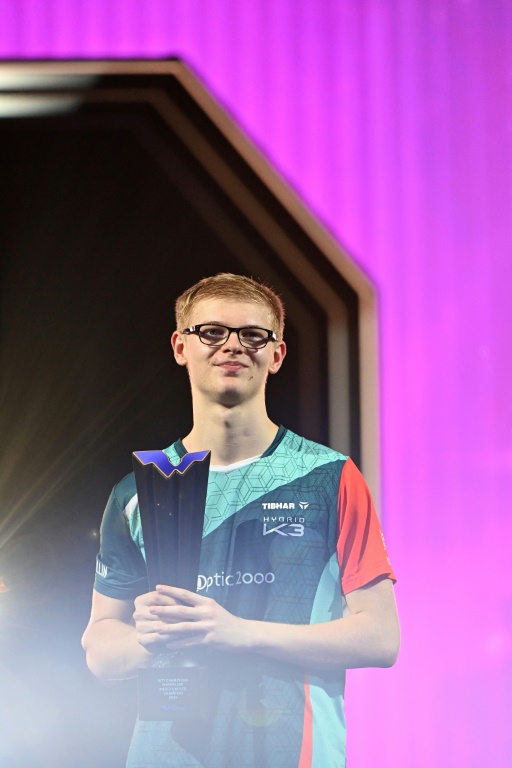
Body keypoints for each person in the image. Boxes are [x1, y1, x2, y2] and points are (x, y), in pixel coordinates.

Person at [82, 273, 399, 768]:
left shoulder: (328, 476)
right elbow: (101, 648)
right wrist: (149, 639)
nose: (232, 345)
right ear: (180, 346)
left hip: (293, 753)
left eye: (253, 335)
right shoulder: (138, 490)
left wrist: (238, 631)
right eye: (211, 332)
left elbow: (381, 637)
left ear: (276, 355)